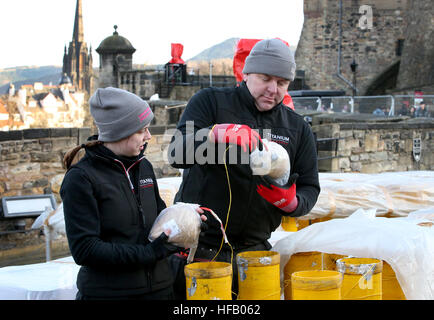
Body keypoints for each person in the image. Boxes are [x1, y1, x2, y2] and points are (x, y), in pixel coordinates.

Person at [167, 38, 320, 299]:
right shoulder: (211, 102)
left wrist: (293, 203)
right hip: (200, 248)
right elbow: (176, 153)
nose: (273, 89)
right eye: (265, 78)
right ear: (247, 73)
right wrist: (215, 133)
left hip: (255, 250)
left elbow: (310, 187)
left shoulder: (296, 127)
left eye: (282, 83)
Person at [60, 87, 205, 300]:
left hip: (161, 288)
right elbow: (85, 249)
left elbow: (159, 218)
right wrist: (148, 254)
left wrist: (189, 221)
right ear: (119, 131)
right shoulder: (81, 178)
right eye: (141, 130)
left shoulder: (143, 166)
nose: (148, 136)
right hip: (111, 294)